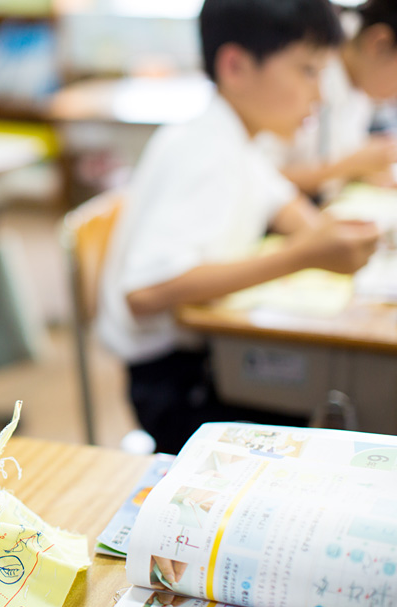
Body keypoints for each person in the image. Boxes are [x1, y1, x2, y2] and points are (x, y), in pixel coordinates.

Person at [96, 0, 381, 454]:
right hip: (177, 384)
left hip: (208, 359)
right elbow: (144, 291)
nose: (321, 96)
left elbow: (286, 206)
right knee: (348, 416)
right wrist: (302, 256)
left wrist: (330, 236)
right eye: (308, 71)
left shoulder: (238, 139)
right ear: (236, 66)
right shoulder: (205, 152)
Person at [265, 0, 397, 198]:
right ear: (379, 44)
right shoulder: (304, 71)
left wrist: (367, 171)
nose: (318, 96)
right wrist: (350, 165)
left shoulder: (362, 88)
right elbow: (260, 177)